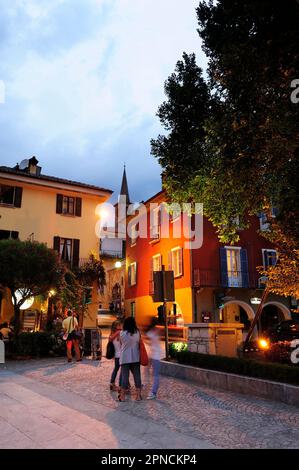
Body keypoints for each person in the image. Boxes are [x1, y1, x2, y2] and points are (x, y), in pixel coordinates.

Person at [119, 316, 142, 401]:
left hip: (125, 357)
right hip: (135, 357)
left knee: (125, 377)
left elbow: (121, 344)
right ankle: (138, 395)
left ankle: (122, 396)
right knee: (137, 376)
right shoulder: (137, 332)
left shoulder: (122, 333)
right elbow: (139, 343)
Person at [145, 317, 163, 400]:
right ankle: (147, 386)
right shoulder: (156, 330)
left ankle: (153, 392)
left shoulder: (153, 331)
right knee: (148, 371)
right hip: (153, 354)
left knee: (155, 374)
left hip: (156, 355)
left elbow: (149, 340)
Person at [109, 320, 122, 391]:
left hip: (116, 355)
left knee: (116, 369)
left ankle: (112, 383)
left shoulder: (111, 335)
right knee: (123, 371)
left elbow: (110, 341)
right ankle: (121, 386)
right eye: (119, 325)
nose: (121, 326)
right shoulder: (120, 333)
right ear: (116, 327)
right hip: (121, 355)